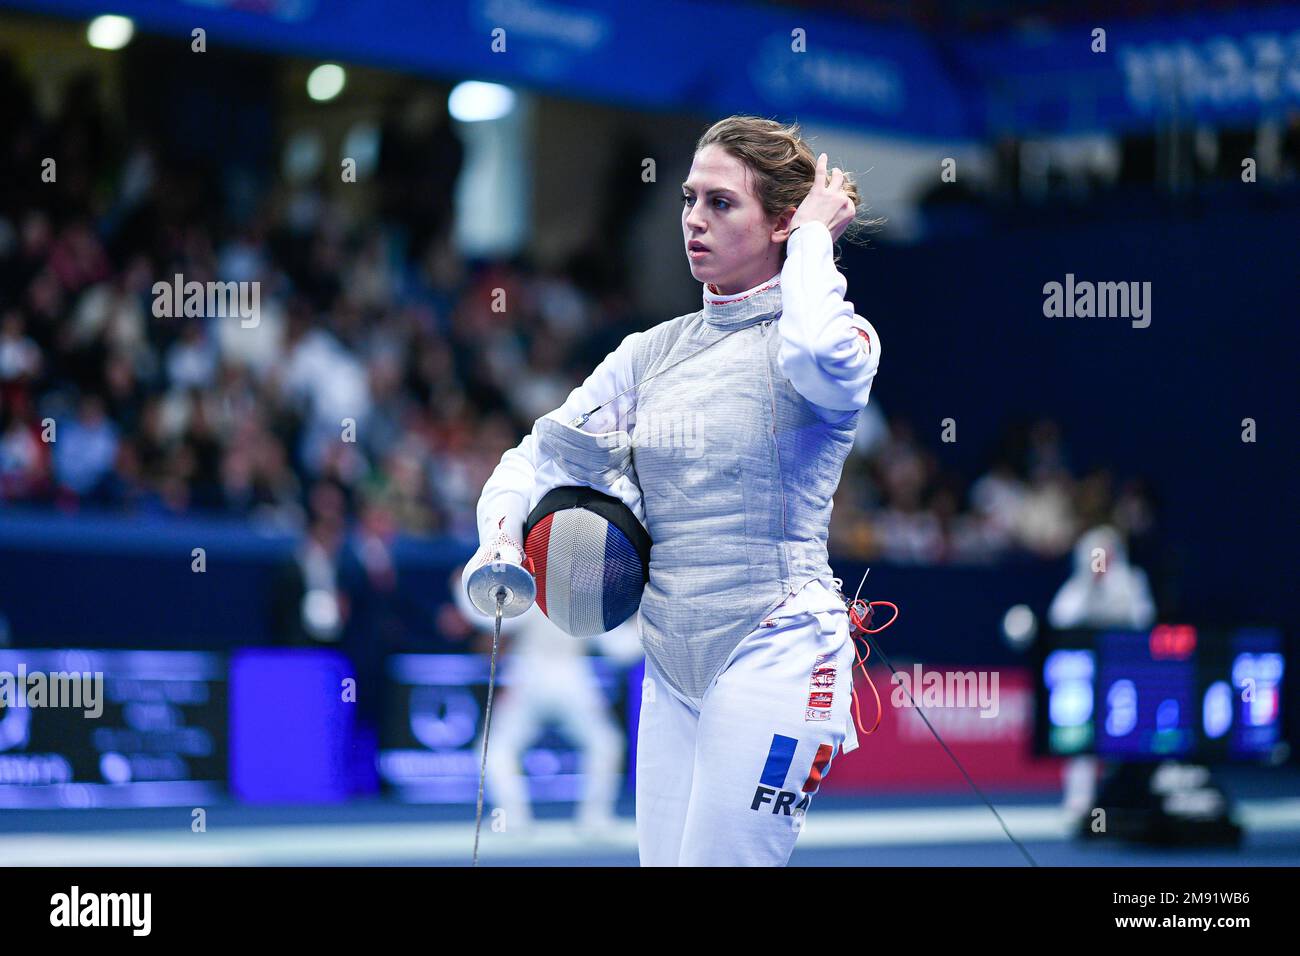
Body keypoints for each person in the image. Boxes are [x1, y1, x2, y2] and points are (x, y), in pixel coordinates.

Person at [466, 116, 881, 866]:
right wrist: (500, 535)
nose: (693, 217)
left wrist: (815, 239)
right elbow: (537, 459)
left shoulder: (840, 340)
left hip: (779, 651)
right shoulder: (649, 354)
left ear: (783, 220)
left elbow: (812, 345)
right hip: (672, 663)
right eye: (689, 198)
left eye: (721, 203)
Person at [452, 564, 640, 835]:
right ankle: (594, 818)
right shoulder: (585, 601)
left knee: (497, 748)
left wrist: (462, 586)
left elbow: (488, 615)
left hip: (536, 679)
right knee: (606, 744)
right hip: (567, 682)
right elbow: (620, 649)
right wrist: (645, 622)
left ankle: (513, 818)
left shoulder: (533, 590)